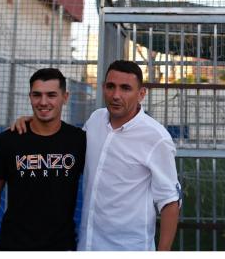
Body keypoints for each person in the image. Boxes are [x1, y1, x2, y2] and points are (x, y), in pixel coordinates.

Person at [12, 60, 181, 250]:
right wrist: (33, 122)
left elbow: (170, 202)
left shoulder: (156, 138)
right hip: (88, 245)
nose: (116, 95)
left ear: (141, 94)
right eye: (111, 86)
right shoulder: (95, 120)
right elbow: (65, 144)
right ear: (103, 88)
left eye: (125, 88)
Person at [0, 68, 86, 251]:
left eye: (51, 95)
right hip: (14, 244)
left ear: (65, 97)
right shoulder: (9, 140)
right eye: (37, 95)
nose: (43, 102)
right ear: (29, 96)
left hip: (61, 245)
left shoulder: (79, 140)